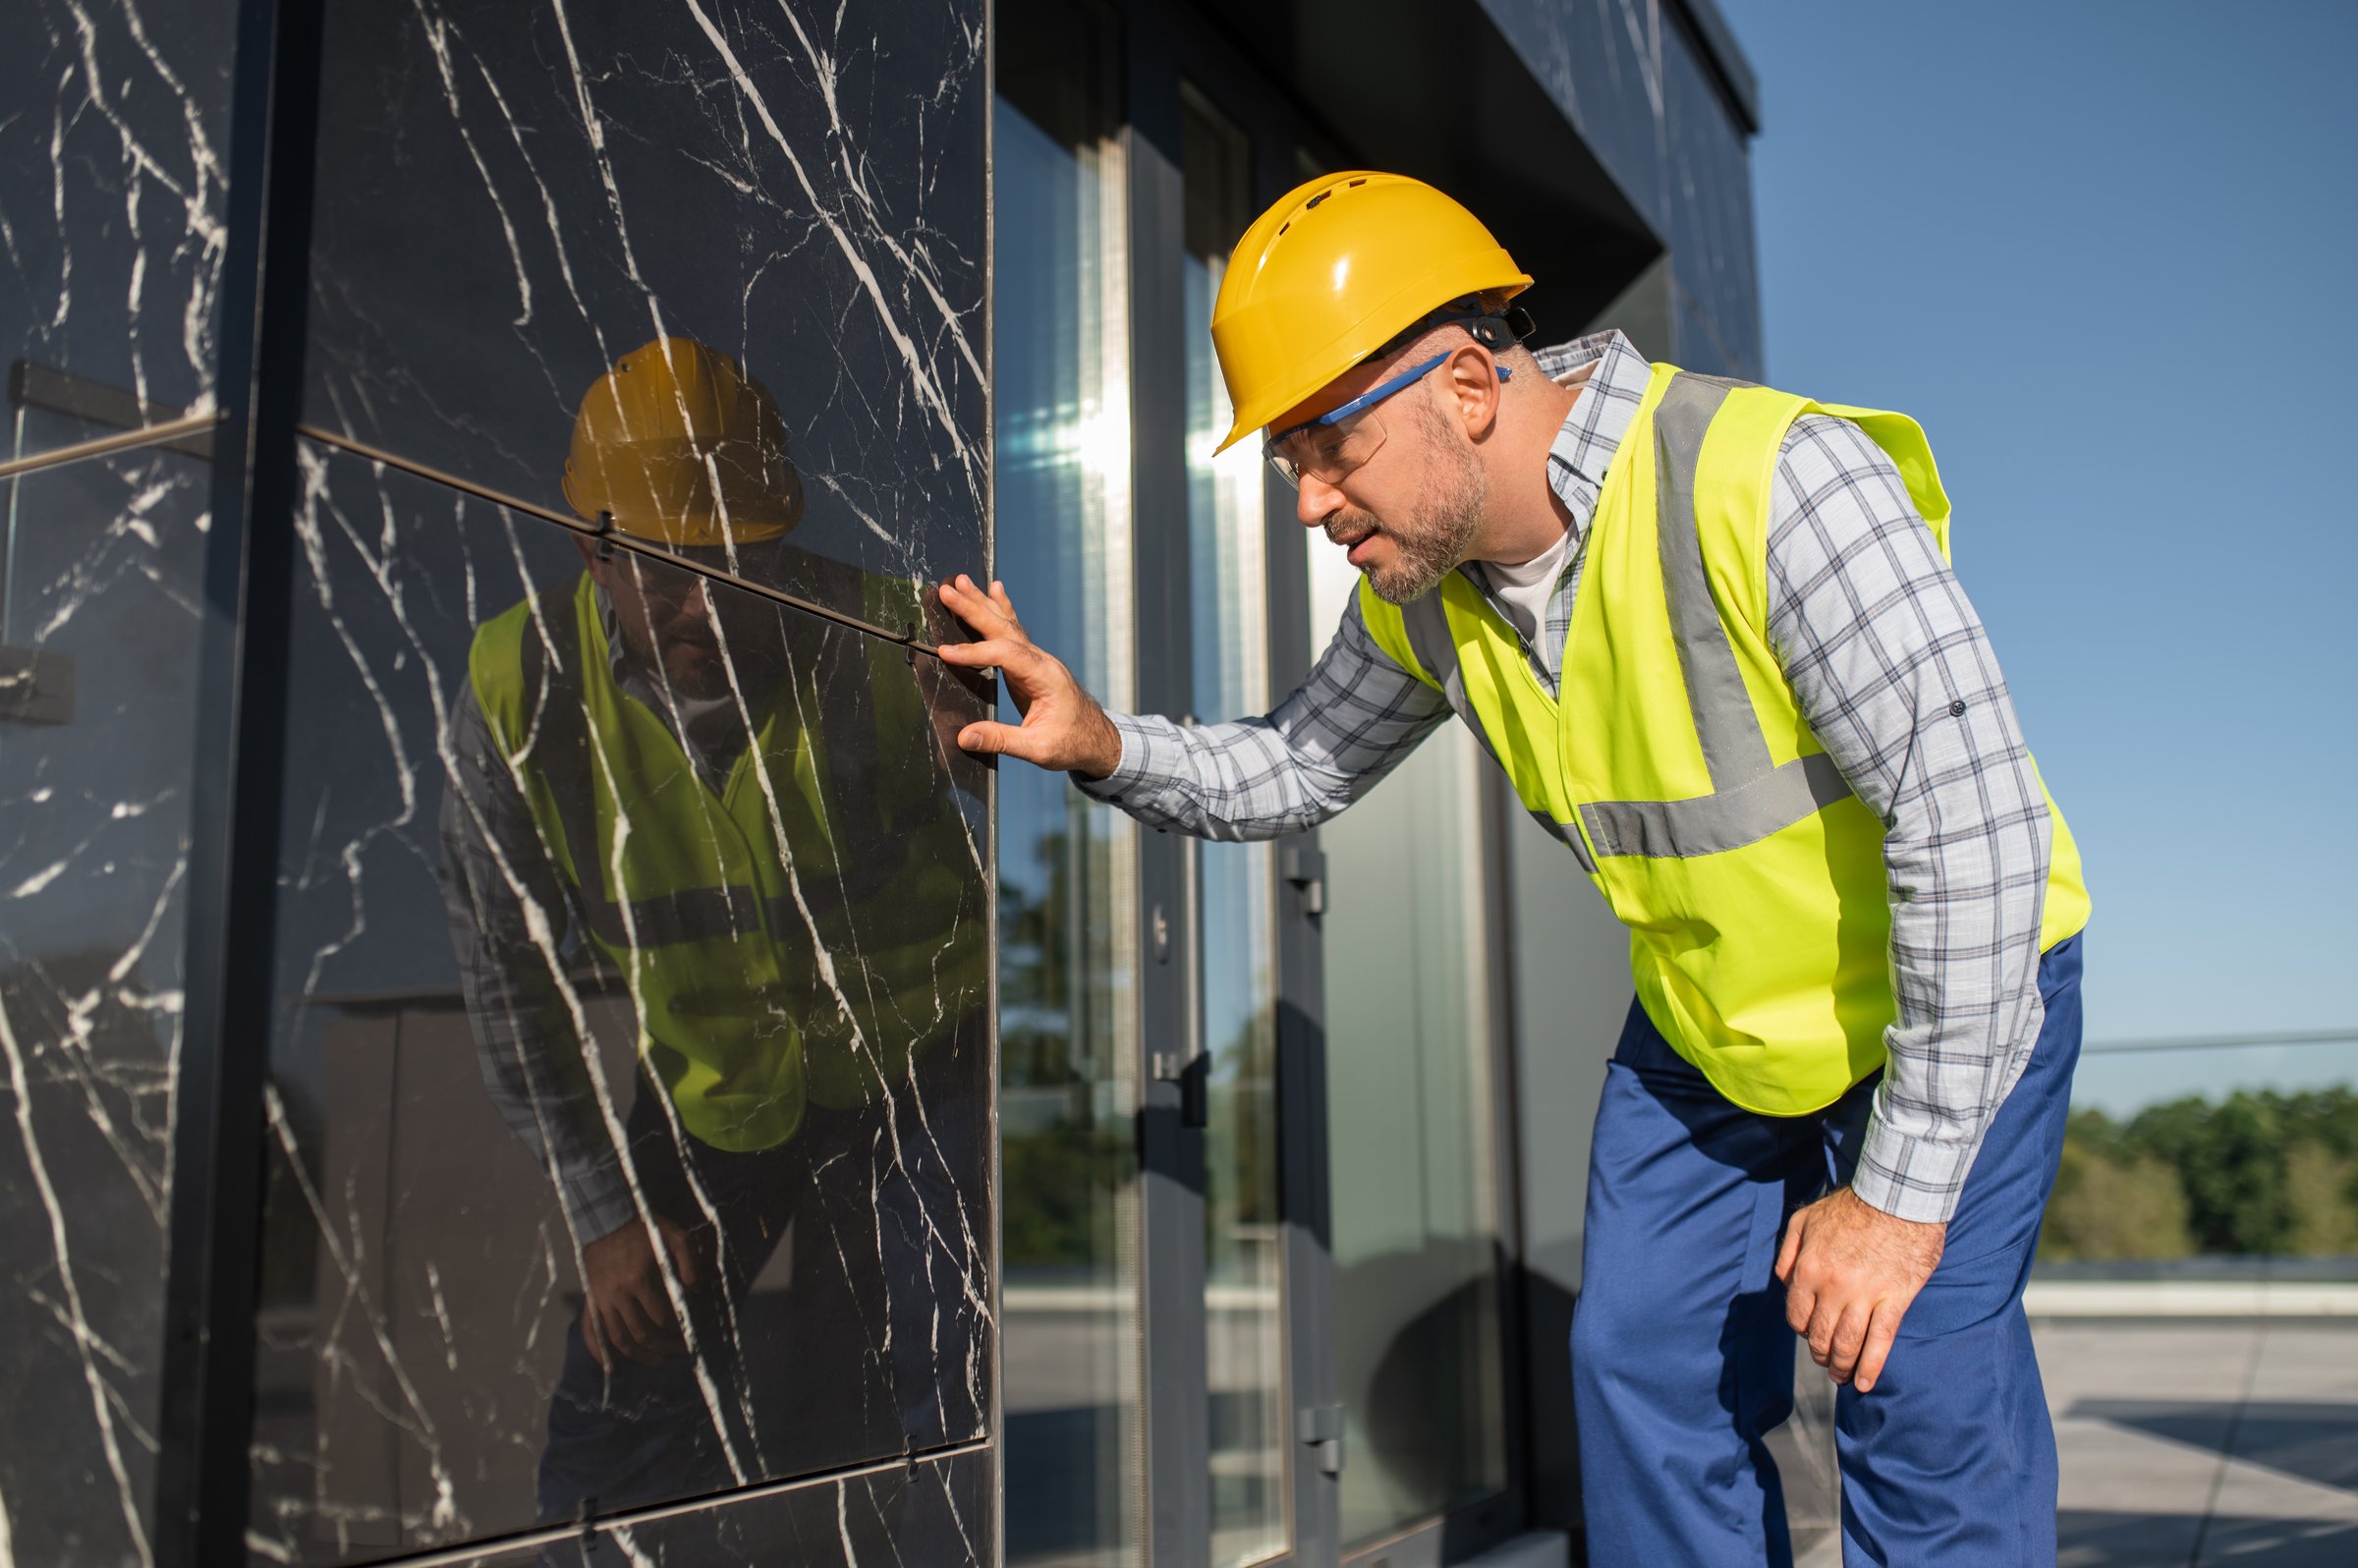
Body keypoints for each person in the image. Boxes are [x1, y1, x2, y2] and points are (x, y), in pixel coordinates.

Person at [937, 173, 2090, 1565]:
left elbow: (1974, 839)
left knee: (1917, 1393)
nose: (1309, 502)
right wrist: (1101, 741)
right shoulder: (1429, 603)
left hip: (1947, 990)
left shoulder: (1775, 481)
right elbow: (1300, 765)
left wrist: (1900, 1204)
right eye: (1285, 462)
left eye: (1327, 445)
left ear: (1467, 383)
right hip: (1710, 1021)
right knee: (1638, 1365)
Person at [437, 336, 987, 1522]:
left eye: (742, 562)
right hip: (712, 1096)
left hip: (921, 1067)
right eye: (671, 569)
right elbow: (505, 976)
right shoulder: (517, 695)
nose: (709, 603)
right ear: (592, 549)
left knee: (946, 1387)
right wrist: (603, 1216)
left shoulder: (894, 636)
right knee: (625, 1390)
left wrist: (1000, 752)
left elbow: (1073, 810)